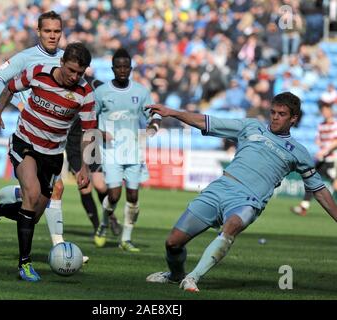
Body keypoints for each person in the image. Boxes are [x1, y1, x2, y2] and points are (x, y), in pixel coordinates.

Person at [145, 92, 337, 292]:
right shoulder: (251, 126)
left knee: (232, 225)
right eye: (273, 112)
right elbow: (206, 121)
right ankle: (176, 276)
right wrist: (172, 112)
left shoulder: (299, 152)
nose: (275, 117)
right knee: (173, 242)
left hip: (248, 199)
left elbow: (320, 189)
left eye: (281, 114)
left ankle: (193, 277)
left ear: (294, 118)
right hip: (220, 188)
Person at [0, 11, 104, 256]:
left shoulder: (68, 59)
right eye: (48, 31)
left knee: (38, 202)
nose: (52, 36)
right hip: (30, 133)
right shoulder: (26, 58)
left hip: (57, 137)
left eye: (57, 31)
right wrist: (19, 101)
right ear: (38, 32)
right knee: (45, 191)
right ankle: (60, 249)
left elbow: (83, 95)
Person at [0, 42, 96, 281]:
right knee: (31, 194)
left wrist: (84, 166)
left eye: (80, 73)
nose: (75, 77)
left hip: (53, 154)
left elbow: (88, 133)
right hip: (24, 142)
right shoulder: (38, 72)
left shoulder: (85, 94)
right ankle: (24, 264)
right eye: (71, 71)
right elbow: (9, 88)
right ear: (62, 62)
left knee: (33, 214)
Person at [93, 48, 161, 252]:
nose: (122, 70)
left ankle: (126, 239)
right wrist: (99, 132)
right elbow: (87, 119)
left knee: (133, 196)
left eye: (126, 67)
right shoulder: (101, 92)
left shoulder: (140, 92)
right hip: (111, 151)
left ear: (130, 69)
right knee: (114, 195)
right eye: (118, 67)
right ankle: (104, 224)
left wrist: (153, 127)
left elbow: (154, 115)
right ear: (112, 68)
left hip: (134, 151)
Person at [64, 75, 122, 237]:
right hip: (74, 148)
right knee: (84, 187)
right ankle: (98, 227)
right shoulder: (70, 97)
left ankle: (111, 218)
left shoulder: (95, 87)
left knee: (101, 186)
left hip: (91, 146)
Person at [291, 101, 337, 216]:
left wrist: (325, 150)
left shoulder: (335, 124)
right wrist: (320, 147)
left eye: (326, 110)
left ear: (331, 111)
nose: (325, 113)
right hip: (322, 160)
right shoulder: (321, 125)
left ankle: (304, 207)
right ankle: (303, 207)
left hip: (332, 159)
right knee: (311, 180)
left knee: (335, 184)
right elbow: (318, 139)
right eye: (323, 111)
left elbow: (335, 142)